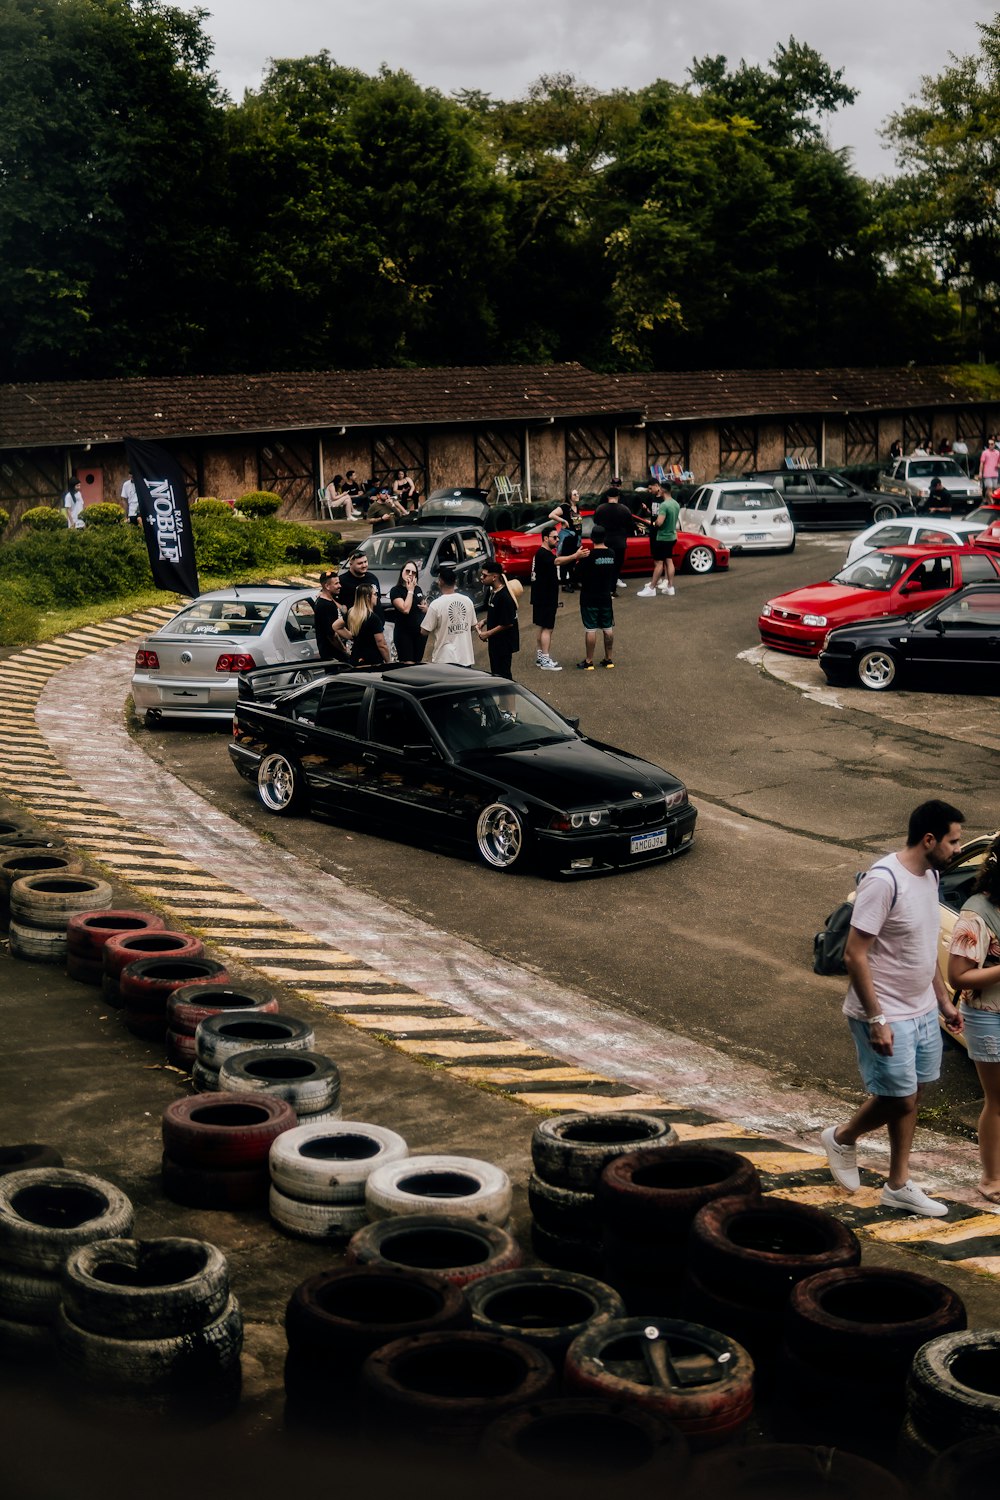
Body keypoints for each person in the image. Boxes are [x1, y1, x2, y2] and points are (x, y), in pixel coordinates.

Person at [820, 799, 966, 1218]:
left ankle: (898, 1184)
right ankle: (843, 1137)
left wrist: (941, 1000)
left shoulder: (931, 875)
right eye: (953, 841)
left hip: (922, 1009)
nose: (958, 849)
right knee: (899, 1098)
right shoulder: (885, 881)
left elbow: (920, 950)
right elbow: (854, 955)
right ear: (929, 839)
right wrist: (877, 1018)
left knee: (913, 1096)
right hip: (885, 1012)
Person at [947, 836, 1000, 1204]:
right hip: (988, 1017)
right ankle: (991, 1180)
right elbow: (959, 976)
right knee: (998, 1100)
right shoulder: (978, 913)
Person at [575, 523, 617, 670]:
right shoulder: (612, 554)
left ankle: (589, 661)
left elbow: (577, 575)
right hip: (605, 596)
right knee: (607, 627)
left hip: (589, 597)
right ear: (605, 537)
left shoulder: (588, 555)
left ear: (592, 538)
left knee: (590, 629)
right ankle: (608, 658)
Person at [420, 562, 477, 665]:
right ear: (455, 582)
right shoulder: (467, 601)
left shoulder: (435, 605)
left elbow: (424, 631)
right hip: (465, 658)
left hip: (444, 659)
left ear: (440, 581)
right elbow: (473, 626)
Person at [476, 559, 520, 680]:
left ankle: (508, 698)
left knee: (504, 676)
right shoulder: (494, 592)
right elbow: (497, 613)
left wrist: (487, 634)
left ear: (494, 577)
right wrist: (484, 621)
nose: (481, 578)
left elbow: (507, 623)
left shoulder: (504, 597)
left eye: (484, 575)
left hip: (503, 644)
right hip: (495, 643)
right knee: (496, 674)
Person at [530, 524, 566, 670]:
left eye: (558, 537)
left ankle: (540, 657)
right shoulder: (544, 554)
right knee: (547, 628)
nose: (557, 539)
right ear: (546, 538)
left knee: (542, 626)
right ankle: (545, 659)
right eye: (554, 537)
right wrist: (576, 556)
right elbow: (557, 561)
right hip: (546, 598)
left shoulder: (540, 553)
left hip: (539, 596)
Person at [637, 480, 681, 597]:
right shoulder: (675, 504)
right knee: (669, 560)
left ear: (662, 490)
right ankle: (670, 587)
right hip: (672, 536)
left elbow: (659, 522)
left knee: (658, 563)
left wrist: (652, 524)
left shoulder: (664, 505)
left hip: (662, 537)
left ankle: (651, 588)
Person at [593, 487, 634, 593]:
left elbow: (596, 522)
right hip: (620, 542)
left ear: (607, 497)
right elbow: (631, 525)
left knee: (604, 565)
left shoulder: (600, 509)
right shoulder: (624, 509)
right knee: (616, 566)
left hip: (605, 541)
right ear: (618, 497)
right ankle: (612, 590)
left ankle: (603, 588)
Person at [389, 561, 428, 663]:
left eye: (413, 572)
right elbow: (405, 609)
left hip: (419, 633)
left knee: (417, 663)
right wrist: (410, 590)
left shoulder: (418, 589)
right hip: (403, 633)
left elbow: (423, 605)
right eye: (407, 571)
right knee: (408, 664)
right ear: (402, 572)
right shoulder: (395, 590)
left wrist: (426, 608)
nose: (410, 574)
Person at [346, 583, 390, 666]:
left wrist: (351, 635)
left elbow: (336, 626)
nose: (376, 597)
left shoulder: (352, 613)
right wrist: (388, 661)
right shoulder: (373, 618)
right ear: (368, 597)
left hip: (356, 657)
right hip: (372, 660)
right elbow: (381, 644)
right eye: (374, 594)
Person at [313, 569, 351, 662]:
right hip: (333, 655)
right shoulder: (324, 605)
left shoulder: (328, 601)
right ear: (327, 586)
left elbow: (343, 610)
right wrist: (344, 650)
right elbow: (331, 635)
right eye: (336, 584)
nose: (340, 586)